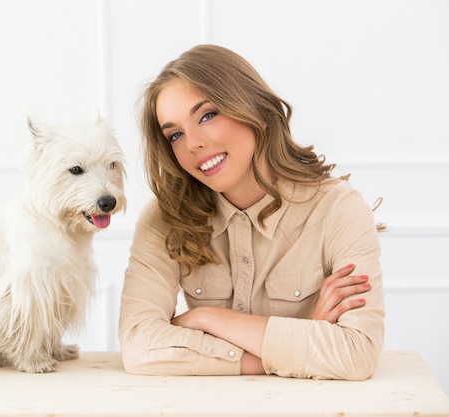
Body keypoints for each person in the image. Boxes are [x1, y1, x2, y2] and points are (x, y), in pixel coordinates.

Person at [118, 44, 384, 380]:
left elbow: (357, 354)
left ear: (253, 109)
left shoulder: (338, 210)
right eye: (175, 134)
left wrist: (207, 319)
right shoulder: (165, 218)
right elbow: (139, 346)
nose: (192, 144)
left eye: (207, 115)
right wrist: (293, 347)